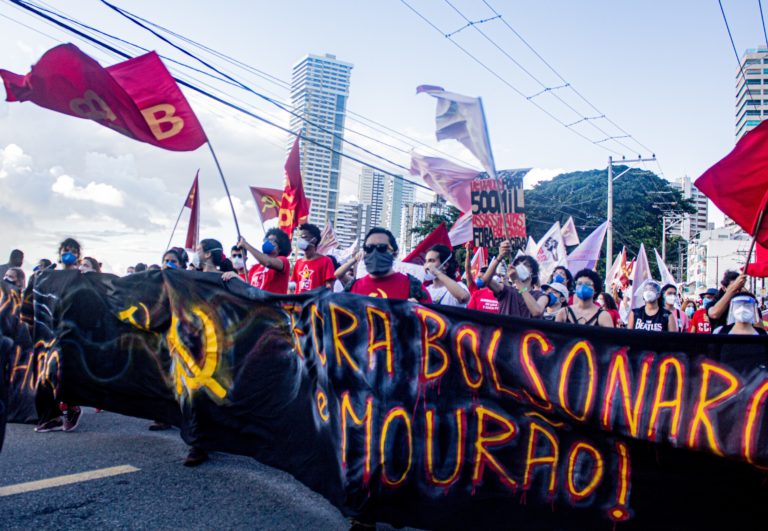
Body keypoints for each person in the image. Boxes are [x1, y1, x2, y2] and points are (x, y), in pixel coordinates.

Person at [34, 238, 84, 433]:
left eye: (72, 250)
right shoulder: (48, 276)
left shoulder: (82, 276)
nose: (68, 253)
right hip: (48, 332)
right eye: (65, 249)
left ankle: (72, 407)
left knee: (64, 371)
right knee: (45, 373)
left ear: (78, 255)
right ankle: (51, 417)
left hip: (73, 331)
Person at [349, 227, 431, 302]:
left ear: (395, 253)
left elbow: (433, 316)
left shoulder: (414, 288)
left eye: (381, 247)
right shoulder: (352, 288)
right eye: (369, 248)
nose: (375, 253)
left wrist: (417, 311)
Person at [481, 241, 548, 318]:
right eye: (518, 265)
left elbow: (537, 312)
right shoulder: (507, 291)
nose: (520, 267)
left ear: (533, 273)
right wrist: (500, 256)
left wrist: (517, 281)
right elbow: (485, 281)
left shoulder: (541, 296)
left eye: (526, 265)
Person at [233, 229, 291, 294]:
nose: (267, 242)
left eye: (272, 240)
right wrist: (235, 276)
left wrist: (246, 245)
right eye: (266, 240)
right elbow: (247, 286)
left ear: (280, 248)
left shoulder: (283, 261)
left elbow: (267, 262)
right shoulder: (255, 268)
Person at [291, 224, 336, 293]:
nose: (300, 240)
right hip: (299, 303)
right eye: (300, 237)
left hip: (316, 302)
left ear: (314, 240)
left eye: (304, 237)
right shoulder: (298, 262)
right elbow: (293, 287)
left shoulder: (326, 261)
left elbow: (329, 287)